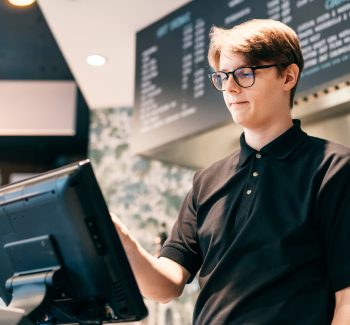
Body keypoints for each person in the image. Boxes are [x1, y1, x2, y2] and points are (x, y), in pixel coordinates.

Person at [112, 19, 350, 324]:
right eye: (223, 77)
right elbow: (165, 286)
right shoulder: (206, 181)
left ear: (288, 76)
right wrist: (123, 242)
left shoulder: (334, 168)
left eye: (245, 74)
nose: (231, 88)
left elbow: (347, 297)